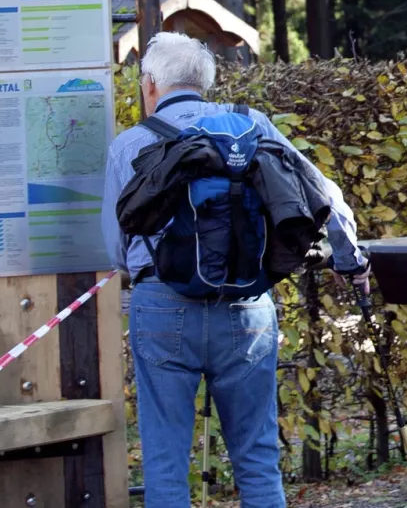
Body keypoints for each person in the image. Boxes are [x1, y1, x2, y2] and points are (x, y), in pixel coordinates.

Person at [101, 32, 369, 508]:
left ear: (150, 85)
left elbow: (116, 247)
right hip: (248, 305)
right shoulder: (252, 125)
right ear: (204, 81)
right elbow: (322, 193)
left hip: (163, 306)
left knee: (164, 462)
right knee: (257, 457)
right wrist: (353, 261)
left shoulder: (132, 143)